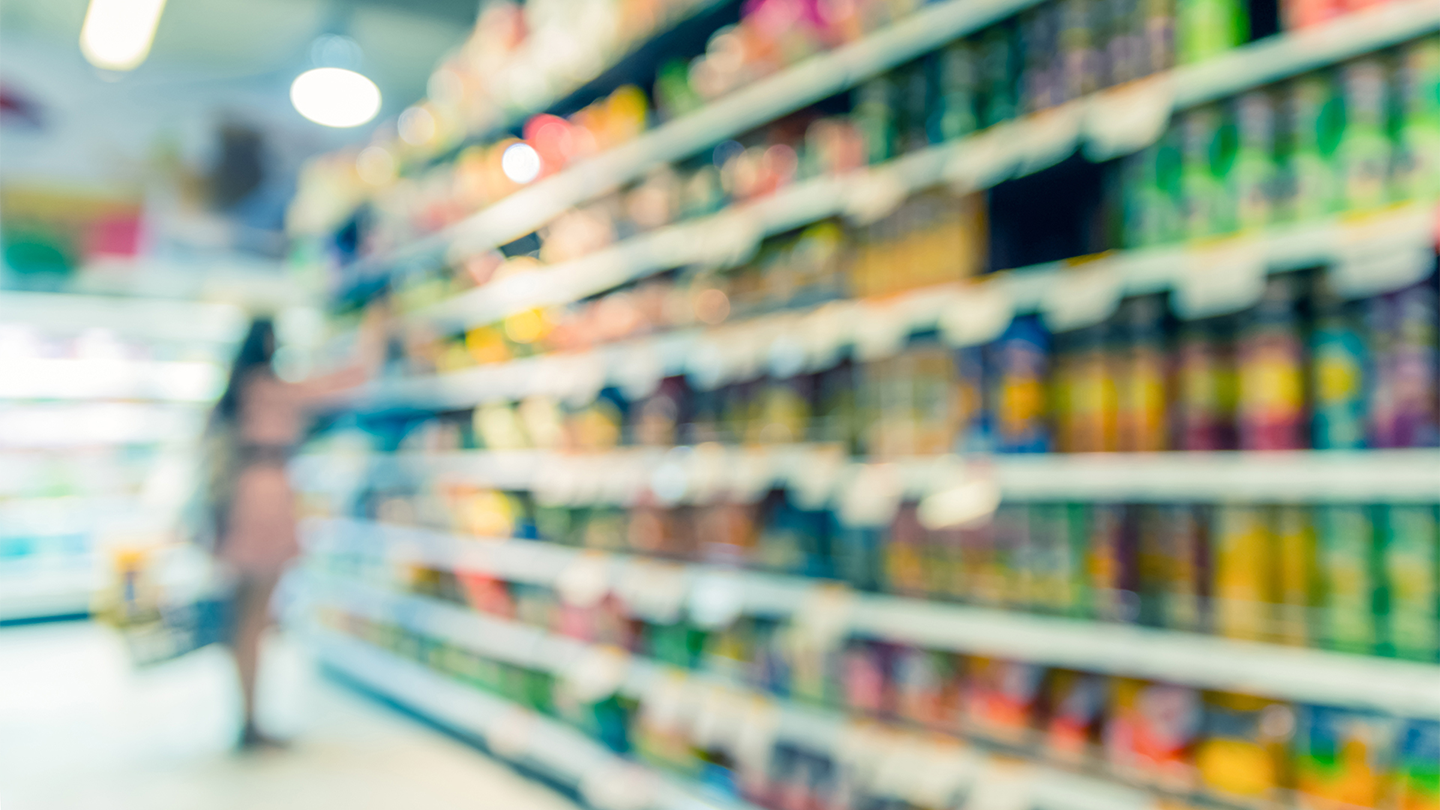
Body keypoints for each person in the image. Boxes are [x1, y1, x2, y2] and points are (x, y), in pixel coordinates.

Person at [207, 308, 386, 749]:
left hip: (238, 497)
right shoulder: (272, 389)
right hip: (268, 498)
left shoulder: (235, 394)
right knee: (256, 616)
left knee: (243, 615)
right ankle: (251, 722)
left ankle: (246, 717)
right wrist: (376, 330)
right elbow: (346, 381)